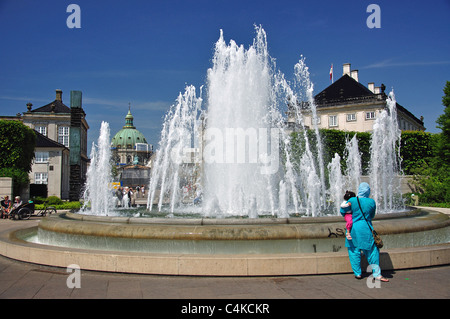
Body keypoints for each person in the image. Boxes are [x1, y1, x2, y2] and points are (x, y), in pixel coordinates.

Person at [340, 182, 389, 282]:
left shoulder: (352, 200)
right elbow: (372, 216)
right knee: (372, 251)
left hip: (353, 228)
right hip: (366, 227)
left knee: (354, 251)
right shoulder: (371, 202)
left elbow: (343, 211)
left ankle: (357, 273)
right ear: (368, 191)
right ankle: (377, 274)